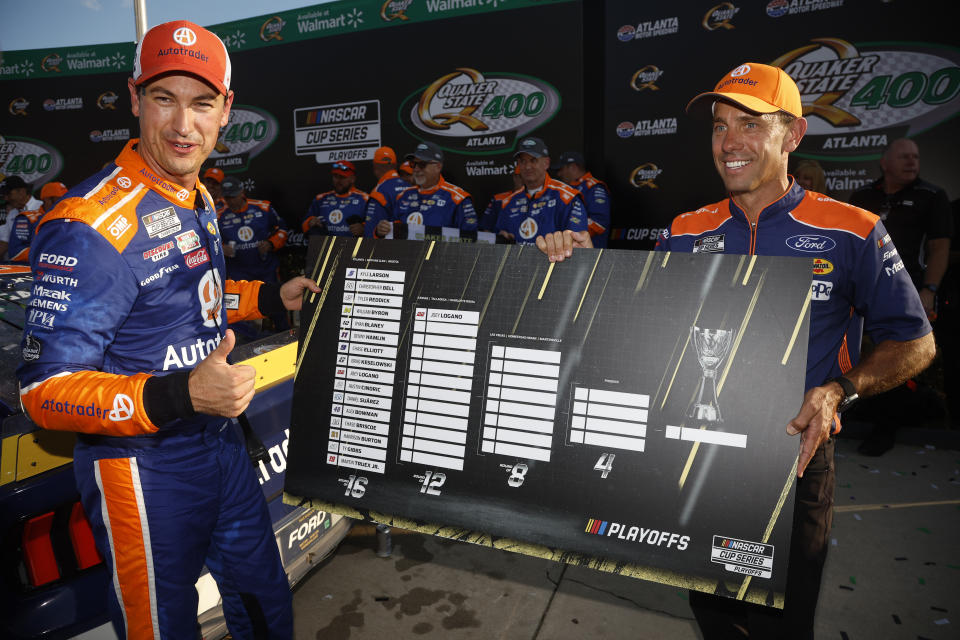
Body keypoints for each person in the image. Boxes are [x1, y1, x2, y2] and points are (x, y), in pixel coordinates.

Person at [16, 20, 319, 639]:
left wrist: (265, 296)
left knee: (265, 595)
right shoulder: (89, 224)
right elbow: (43, 391)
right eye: (164, 99)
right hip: (139, 469)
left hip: (219, 445)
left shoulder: (196, 193)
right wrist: (179, 395)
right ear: (134, 99)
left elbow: (183, 304)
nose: (184, 126)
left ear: (226, 110)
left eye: (202, 103)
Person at [648, 62, 935, 639]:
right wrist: (570, 266)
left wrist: (838, 391)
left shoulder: (854, 229)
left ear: (793, 136)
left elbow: (916, 341)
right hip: (698, 462)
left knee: (784, 625)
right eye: (719, 125)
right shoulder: (682, 231)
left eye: (751, 125)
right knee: (714, 616)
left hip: (796, 461)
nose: (729, 142)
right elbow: (641, 328)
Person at [847, 139, 953, 454]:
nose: (912, 161)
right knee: (860, 354)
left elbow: (939, 248)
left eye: (916, 156)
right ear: (885, 162)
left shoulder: (932, 196)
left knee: (896, 355)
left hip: (908, 291)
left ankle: (886, 430)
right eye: (904, 156)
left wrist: (929, 290)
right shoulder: (863, 196)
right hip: (862, 291)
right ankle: (851, 416)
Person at [366, 141, 477, 238]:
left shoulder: (458, 199)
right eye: (413, 164)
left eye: (422, 164)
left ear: (438, 166)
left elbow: (470, 240)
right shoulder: (403, 195)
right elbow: (393, 232)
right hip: (408, 260)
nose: (416, 169)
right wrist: (381, 231)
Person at [495, 137, 587, 245]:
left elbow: (577, 243)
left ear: (546, 163)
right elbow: (499, 241)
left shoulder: (567, 198)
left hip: (553, 261)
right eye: (523, 161)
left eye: (533, 160)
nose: (527, 166)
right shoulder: (508, 203)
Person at [219, 176, 289, 283]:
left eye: (233, 196)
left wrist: (271, 243)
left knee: (270, 298)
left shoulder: (263, 207)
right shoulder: (218, 216)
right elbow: (212, 241)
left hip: (266, 270)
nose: (231, 201)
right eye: (227, 198)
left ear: (242, 192)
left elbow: (282, 230)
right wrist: (221, 248)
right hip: (237, 273)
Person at [553, 150, 612, 247]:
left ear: (573, 167)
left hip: (591, 252)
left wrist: (572, 230)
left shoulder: (593, 187)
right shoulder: (565, 189)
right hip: (567, 250)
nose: (559, 174)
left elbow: (599, 223)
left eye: (561, 169)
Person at [302, 161, 368, 238]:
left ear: (352, 179)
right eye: (335, 176)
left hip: (354, 247)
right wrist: (310, 222)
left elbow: (375, 226)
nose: (338, 180)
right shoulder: (320, 199)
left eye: (342, 177)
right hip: (325, 247)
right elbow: (304, 224)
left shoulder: (365, 199)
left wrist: (363, 229)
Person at [7, 181, 68, 262]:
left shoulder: (69, 218)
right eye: (60, 200)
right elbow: (16, 253)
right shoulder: (27, 219)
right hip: (29, 271)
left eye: (66, 199)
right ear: (47, 200)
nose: (65, 203)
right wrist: (50, 254)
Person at [361, 146, 408, 236]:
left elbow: (370, 232)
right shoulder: (410, 188)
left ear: (375, 166)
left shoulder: (380, 192)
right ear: (395, 165)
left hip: (388, 247)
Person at [0, 175, 42, 259]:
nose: (6, 199)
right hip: (16, 266)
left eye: (8, 194)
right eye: (4, 195)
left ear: (22, 191)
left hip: (37, 263)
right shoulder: (12, 213)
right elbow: (4, 242)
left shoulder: (41, 208)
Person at [479, 166, 522, 232]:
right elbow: (486, 227)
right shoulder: (498, 199)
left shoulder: (537, 199)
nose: (525, 180)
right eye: (521, 177)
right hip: (502, 241)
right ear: (514, 177)